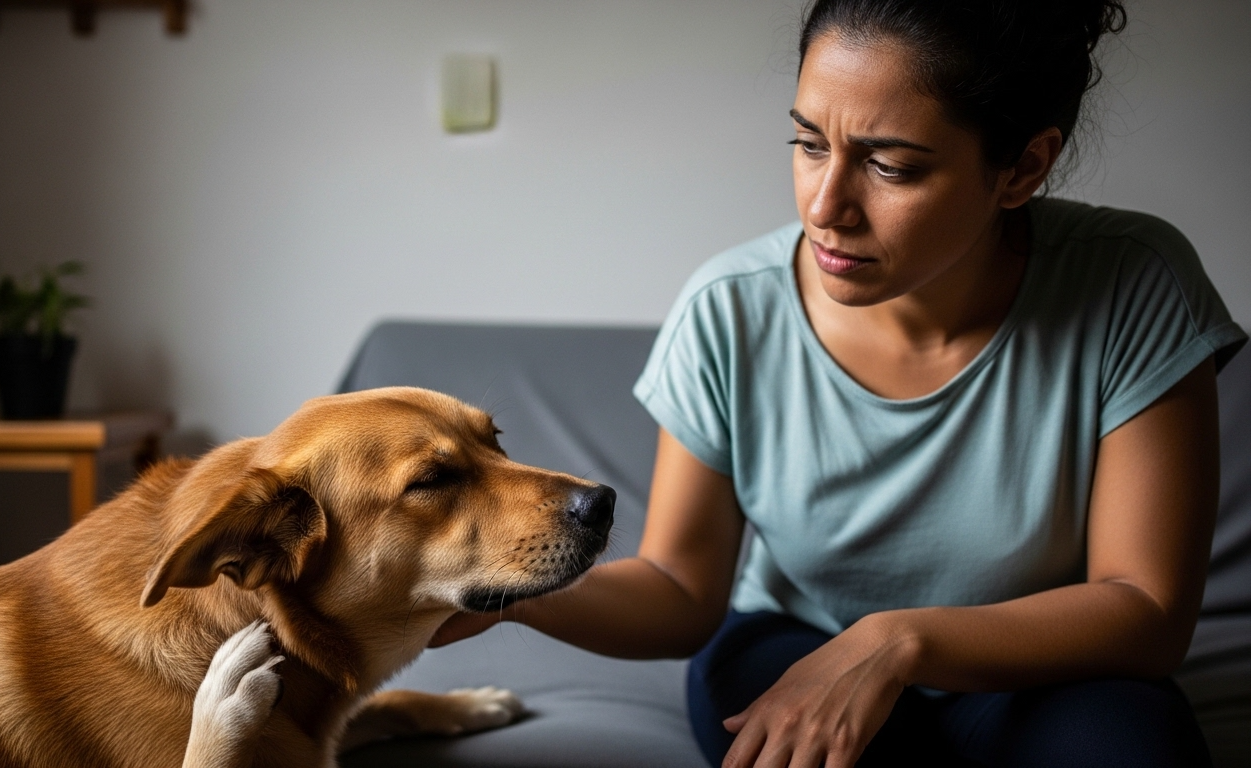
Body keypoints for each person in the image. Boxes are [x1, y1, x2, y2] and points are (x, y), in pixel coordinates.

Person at [431, 1, 1246, 765]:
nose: (826, 207)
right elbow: (680, 590)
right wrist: (510, 586)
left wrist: (894, 641)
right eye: (810, 143)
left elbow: (1145, 608)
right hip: (791, 638)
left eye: (890, 166)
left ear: (1022, 168)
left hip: (1044, 660)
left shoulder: (1133, 282)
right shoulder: (729, 309)